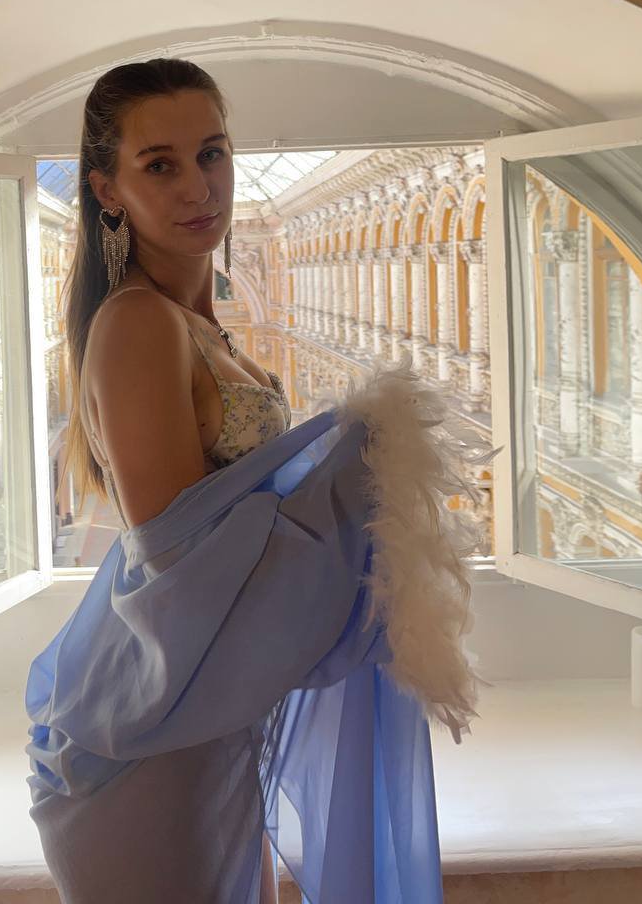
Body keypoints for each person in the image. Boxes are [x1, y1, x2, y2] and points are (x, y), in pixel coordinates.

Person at [26, 57, 489, 904]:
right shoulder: (137, 325)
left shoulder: (203, 326)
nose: (198, 186)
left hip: (206, 725)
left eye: (212, 153)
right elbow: (187, 575)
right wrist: (357, 485)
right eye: (159, 165)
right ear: (106, 190)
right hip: (155, 752)